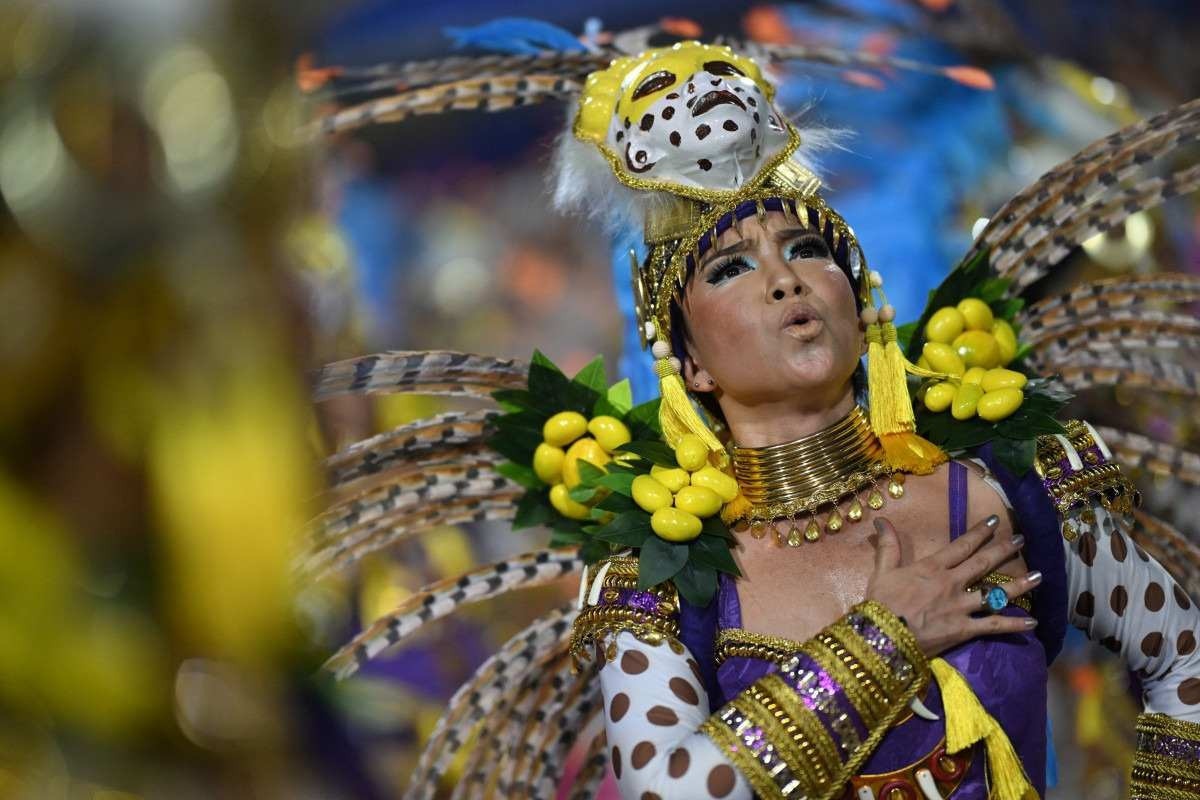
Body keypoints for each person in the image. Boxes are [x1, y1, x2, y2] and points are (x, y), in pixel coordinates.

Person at [306, 31, 1200, 799]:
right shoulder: (661, 584)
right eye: (731, 269)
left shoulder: (1003, 498)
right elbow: (673, 786)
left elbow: (1186, 664)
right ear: (686, 356)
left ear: (858, 294)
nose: (785, 278)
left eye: (808, 248)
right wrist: (888, 634)